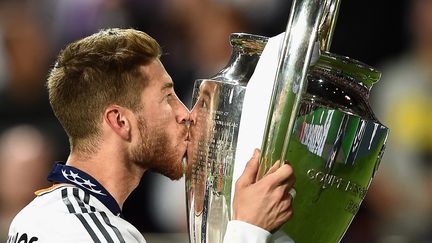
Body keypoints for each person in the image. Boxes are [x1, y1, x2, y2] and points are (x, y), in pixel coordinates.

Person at [6, 28, 295, 243]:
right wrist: (248, 228)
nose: (185, 114)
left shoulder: (42, 215)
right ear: (120, 121)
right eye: (167, 97)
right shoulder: (89, 232)